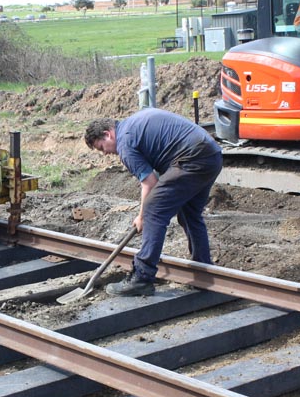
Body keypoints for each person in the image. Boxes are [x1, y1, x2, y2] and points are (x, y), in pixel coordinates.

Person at [84, 109, 223, 296]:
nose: (106, 153)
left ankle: (142, 276)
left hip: (191, 158)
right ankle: (203, 270)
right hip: (212, 156)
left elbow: (149, 183)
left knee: (153, 210)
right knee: (189, 213)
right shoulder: (133, 124)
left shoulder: (125, 143)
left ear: (108, 134)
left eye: (102, 147)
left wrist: (142, 216)